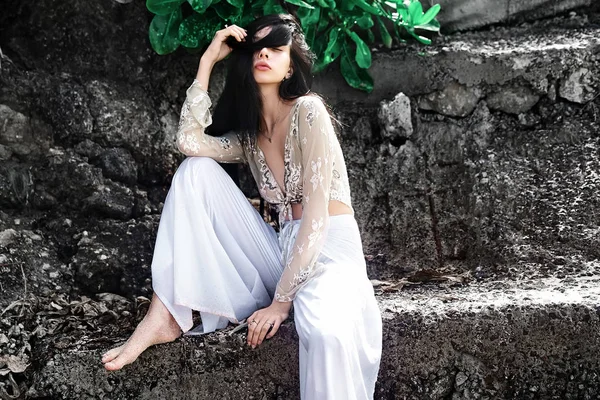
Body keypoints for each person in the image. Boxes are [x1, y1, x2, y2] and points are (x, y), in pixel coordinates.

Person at [101, 14, 382, 399]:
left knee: (325, 331)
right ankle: (163, 314)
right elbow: (189, 142)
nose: (264, 53)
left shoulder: (309, 111)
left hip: (327, 252)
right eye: (256, 48)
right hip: (281, 250)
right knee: (195, 171)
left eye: (277, 48)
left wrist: (280, 305)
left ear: (289, 65)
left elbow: (316, 220)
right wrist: (207, 62)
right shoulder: (250, 137)